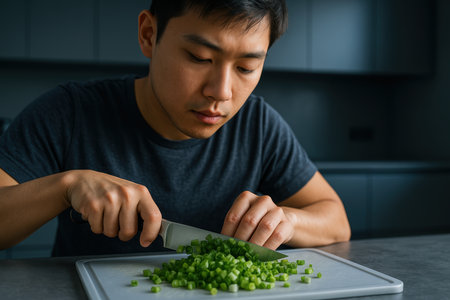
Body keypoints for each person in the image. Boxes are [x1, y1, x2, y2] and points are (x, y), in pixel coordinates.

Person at [0, 0, 350, 256]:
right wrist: (66, 186)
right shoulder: (70, 112)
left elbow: (336, 220)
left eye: (245, 67)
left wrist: (286, 220)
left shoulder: (259, 125)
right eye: (200, 58)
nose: (221, 92)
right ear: (149, 35)